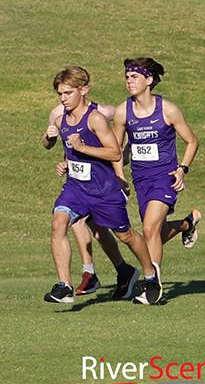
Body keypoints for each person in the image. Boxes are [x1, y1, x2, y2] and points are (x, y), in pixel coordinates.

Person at [44, 66, 153, 304]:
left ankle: (150, 276)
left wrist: (82, 148)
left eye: (68, 93)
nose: (63, 98)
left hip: (103, 191)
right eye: (60, 94)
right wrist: (57, 148)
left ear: (83, 90)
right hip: (75, 189)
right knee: (58, 223)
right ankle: (64, 287)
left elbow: (114, 153)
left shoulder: (95, 117)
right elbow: (51, 144)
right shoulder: (61, 117)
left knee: (126, 236)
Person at [112, 58, 201, 305]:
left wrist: (182, 169)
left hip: (165, 177)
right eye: (127, 77)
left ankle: (152, 286)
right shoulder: (122, 111)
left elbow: (192, 141)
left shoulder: (168, 110)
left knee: (149, 229)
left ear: (149, 80)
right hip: (140, 179)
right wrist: (119, 176)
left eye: (134, 77)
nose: (129, 81)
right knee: (154, 233)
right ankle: (186, 224)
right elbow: (116, 150)